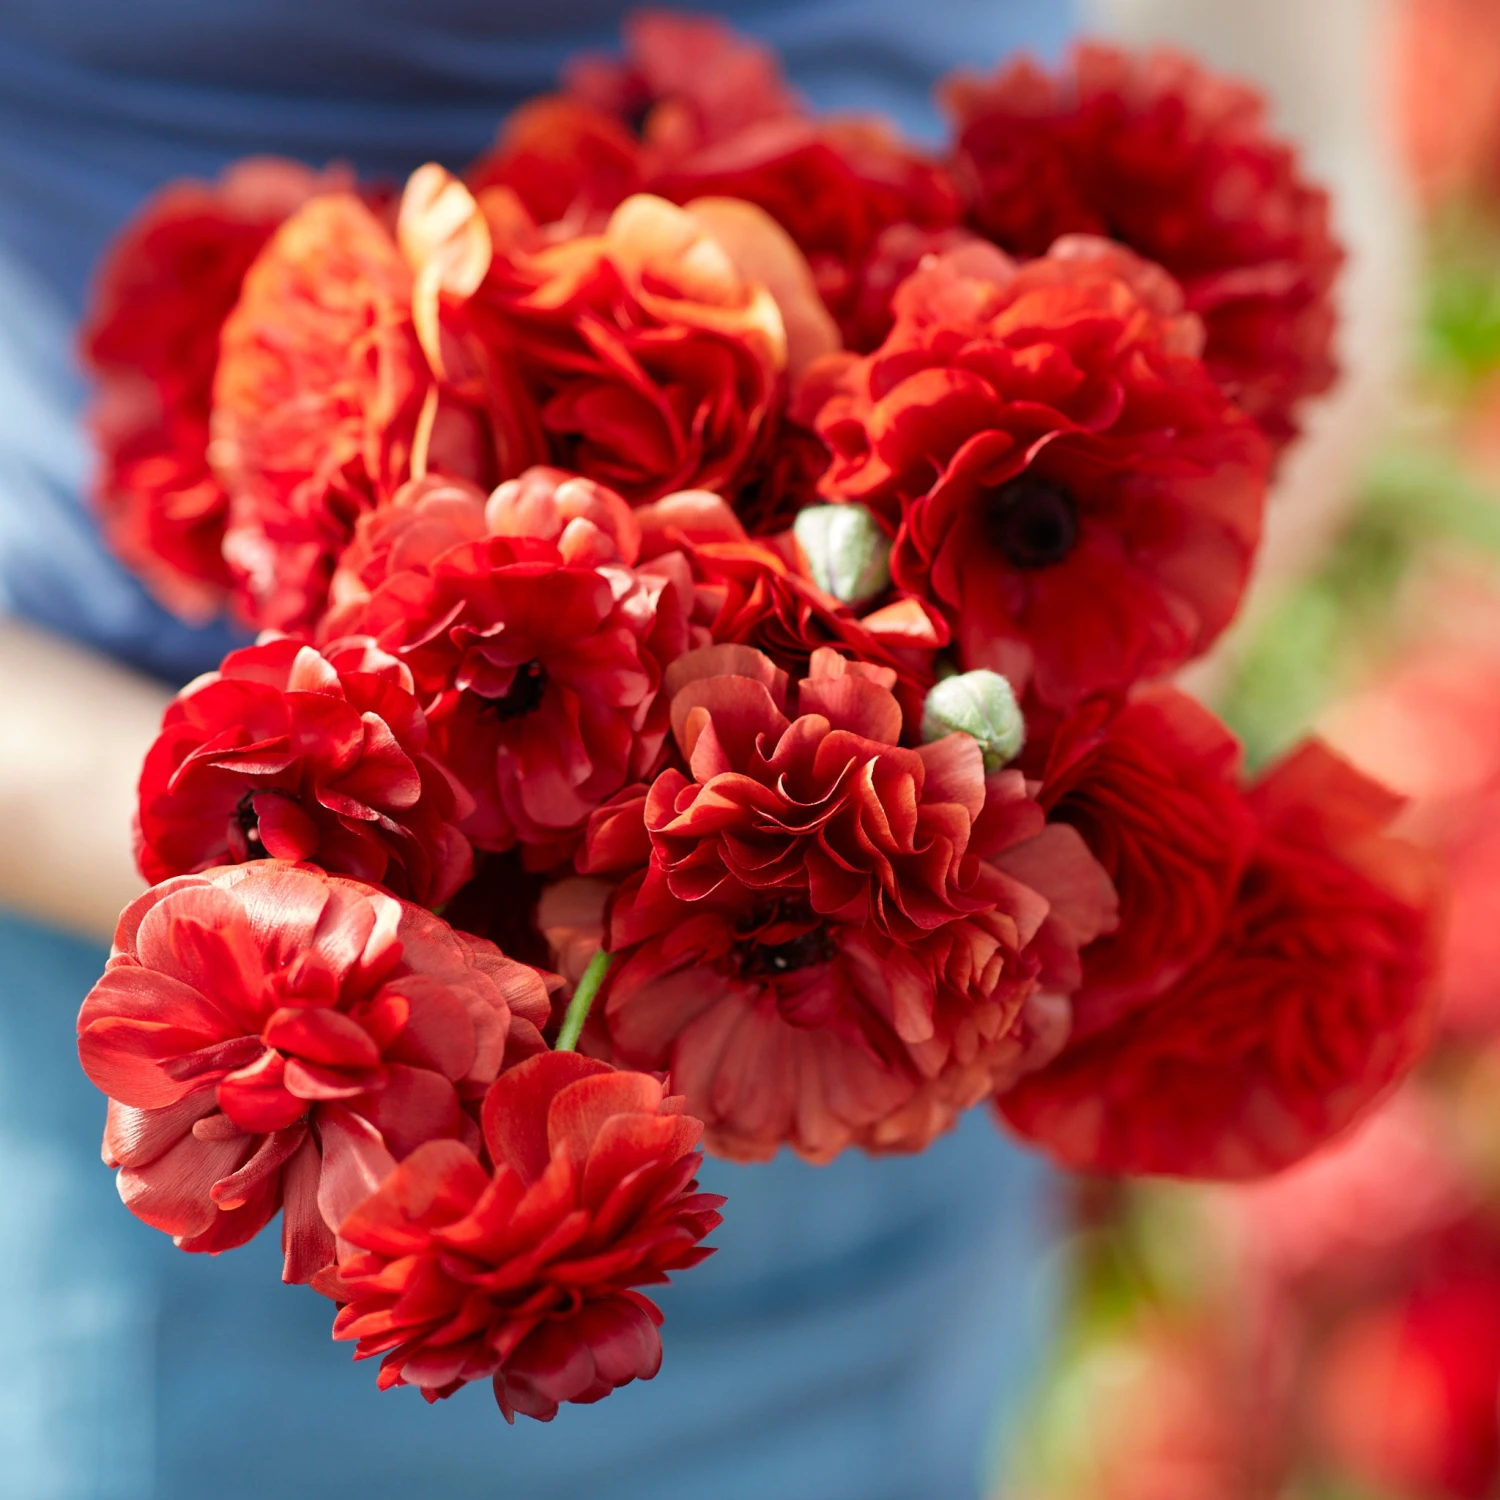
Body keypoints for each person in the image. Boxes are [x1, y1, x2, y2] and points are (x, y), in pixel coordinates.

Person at [0, 5, 1078, 1497]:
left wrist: (1072, 673)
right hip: (245, 1097)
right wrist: (318, 921)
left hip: (910, 1018)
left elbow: (1295, 83)